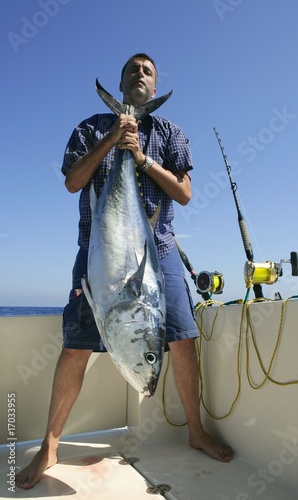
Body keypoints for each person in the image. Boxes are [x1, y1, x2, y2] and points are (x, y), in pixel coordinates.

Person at [16, 53, 233, 490]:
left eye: (148, 71)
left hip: (160, 250)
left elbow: (186, 194)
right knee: (76, 344)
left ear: (155, 88)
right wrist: (114, 139)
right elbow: (73, 182)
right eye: (133, 69)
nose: (140, 74)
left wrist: (143, 159)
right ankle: (50, 444)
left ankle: (195, 431)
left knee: (184, 339)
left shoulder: (170, 132)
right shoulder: (90, 127)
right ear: (121, 83)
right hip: (100, 249)